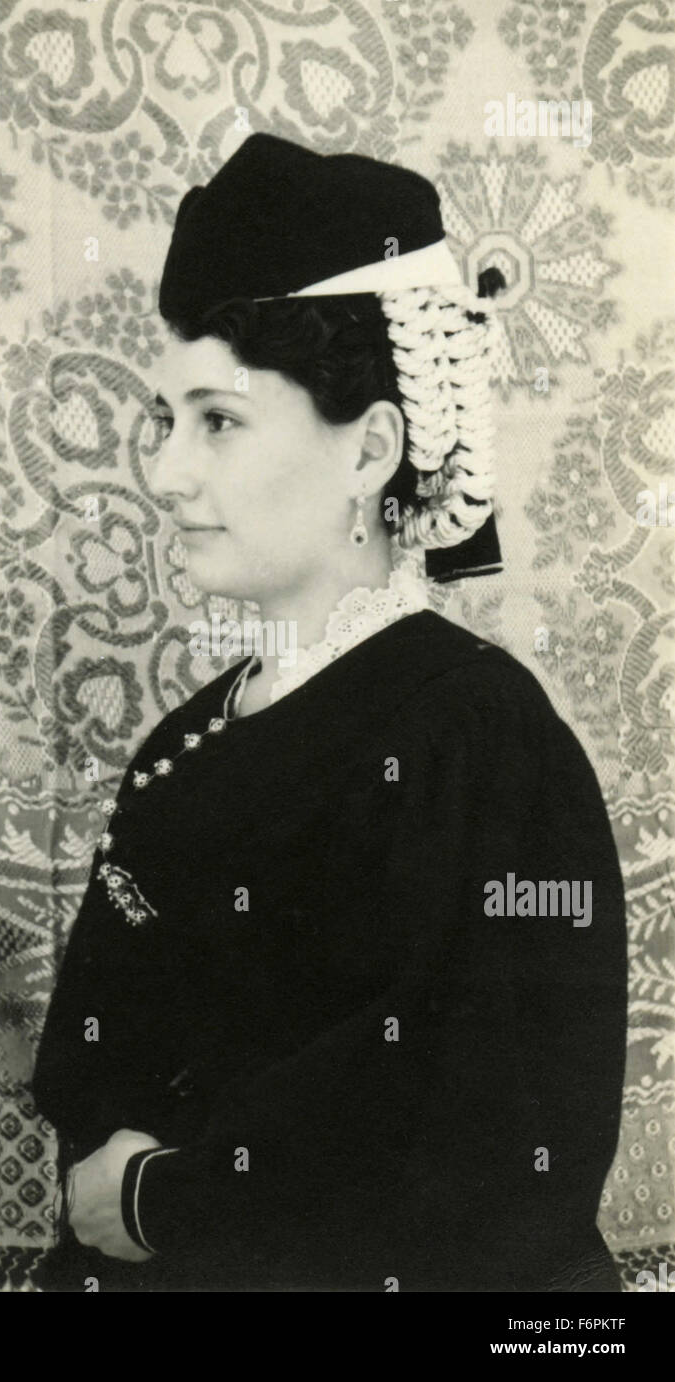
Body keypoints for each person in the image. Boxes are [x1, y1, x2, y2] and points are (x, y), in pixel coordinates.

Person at [31, 133, 627, 1292]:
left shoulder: (481, 741)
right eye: (164, 421)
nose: (164, 472)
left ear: (371, 447)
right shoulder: (186, 740)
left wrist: (166, 1198)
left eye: (218, 420)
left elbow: (496, 1154)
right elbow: (93, 1070)